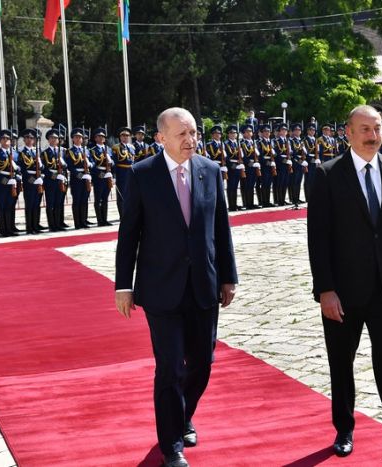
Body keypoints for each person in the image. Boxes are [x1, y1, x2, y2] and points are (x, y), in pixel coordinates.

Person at [115, 107, 237, 467]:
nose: (191, 140)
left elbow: (221, 227)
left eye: (194, 133)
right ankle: (172, 446)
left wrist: (228, 276)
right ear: (161, 138)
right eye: (182, 134)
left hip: (204, 284)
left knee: (202, 362)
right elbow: (129, 234)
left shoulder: (210, 171)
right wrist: (124, 285)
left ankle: (183, 416)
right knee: (170, 367)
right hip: (160, 288)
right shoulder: (142, 175)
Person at [307, 105, 382, 467]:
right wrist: (325, 290)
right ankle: (344, 429)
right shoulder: (327, 175)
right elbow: (319, 238)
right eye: (364, 129)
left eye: (376, 128)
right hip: (342, 294)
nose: (372, 135)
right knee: (341, 364)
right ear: (348, 132)